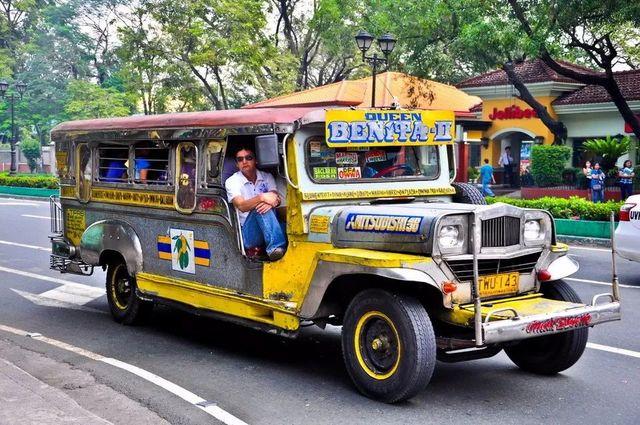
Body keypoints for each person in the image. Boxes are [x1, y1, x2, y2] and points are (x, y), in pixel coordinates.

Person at [225, 146, 286, 261]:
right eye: (240, 159)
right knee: (260, 208)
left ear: (256, 160)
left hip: (271, 227)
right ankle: (275, 248)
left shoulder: (267, 177)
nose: (244, 162)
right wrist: (262, 197)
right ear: (237, 164)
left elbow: (275, 197)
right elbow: (242, 206)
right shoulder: (232, 181)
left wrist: (271, 201)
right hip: (248, 233)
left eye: (248, 158)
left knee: (289, 222)